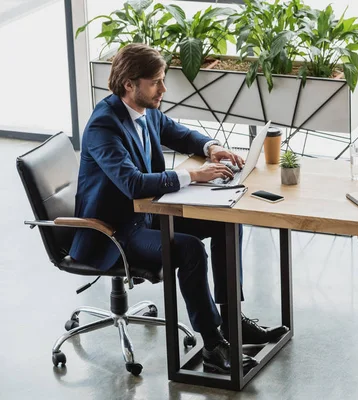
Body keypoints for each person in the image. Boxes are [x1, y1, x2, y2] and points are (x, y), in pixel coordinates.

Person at [69, 43, 288, 374]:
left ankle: (232, 322)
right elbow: (133, 184)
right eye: (156, 81)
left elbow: (179, 133)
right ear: (130, 84)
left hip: (149, 215)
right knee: (189, 249)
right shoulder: (104, 126)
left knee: (226, 222)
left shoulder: (147, 110)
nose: (164, 88)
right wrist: (194, 175)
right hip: (116, 230)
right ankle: (213, 347)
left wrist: (211, 147)